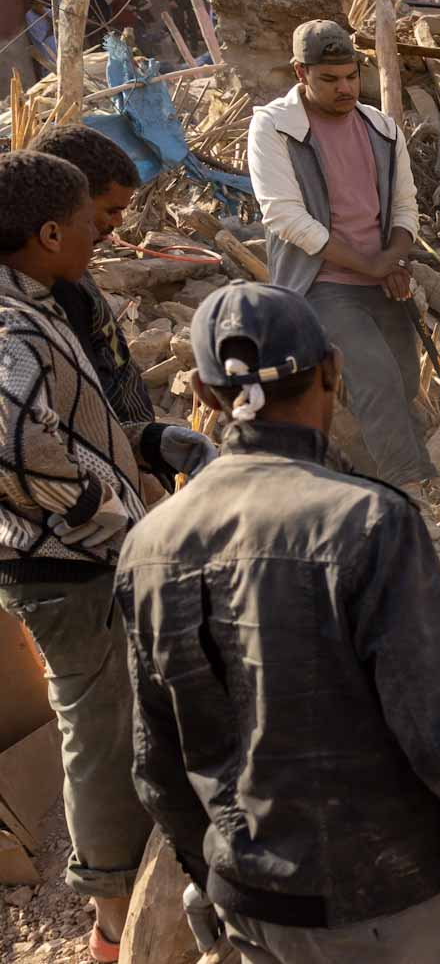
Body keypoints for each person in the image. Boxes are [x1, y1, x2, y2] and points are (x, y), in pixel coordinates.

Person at [118, 281, 440, 963]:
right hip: (392, 906)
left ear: (204, 399)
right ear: (332, 370)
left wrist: (206, 873)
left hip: (254, 907)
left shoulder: (148, 547)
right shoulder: (368, 524)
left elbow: (156, 763)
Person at [0, 151, 213, 964]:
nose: (101, 234)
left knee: (125, 717)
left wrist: (148, 441)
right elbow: (22, 451)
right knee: (99, 731)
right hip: (64, 568)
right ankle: (116, 914)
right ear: (50, 233)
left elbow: (71, 431)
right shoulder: (12, 327)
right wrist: (112, 511)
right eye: (92, 224)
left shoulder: (42, 302)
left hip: (82, 554)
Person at [247, 19, 437, 492]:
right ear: (300, 73)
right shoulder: (275, 127)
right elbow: (285, 216)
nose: (345, 88)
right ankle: (407, 487)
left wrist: (392, 259)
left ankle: (384, 479)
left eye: (351, 76)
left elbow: (406, 206)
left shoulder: (381, 129)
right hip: (320, 283)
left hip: (381, 277)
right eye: (329, 79)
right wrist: (370, 264)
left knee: (406, 378)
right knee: (375, 376)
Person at [27, 124, 155, 432]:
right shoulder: (52, 288)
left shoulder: (71, 267)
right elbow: (84, 406)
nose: (119, 222)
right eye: (110, 211)